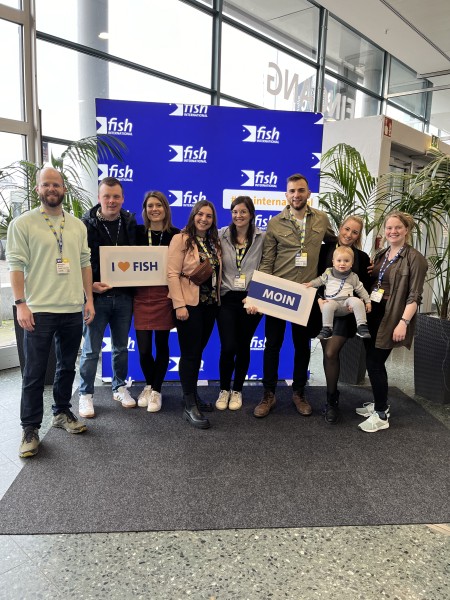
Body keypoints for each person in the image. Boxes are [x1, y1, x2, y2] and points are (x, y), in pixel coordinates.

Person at [6, 167, 95, 458]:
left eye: (56, 184)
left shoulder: (77, 226)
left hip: (71, 308)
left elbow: (84, 263)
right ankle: (30, 429)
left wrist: (88, 300)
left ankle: (61, 413)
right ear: (38, 189)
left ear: (63, 189)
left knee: (67, 366)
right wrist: (21, 303)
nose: (51, 189)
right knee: (34, 373)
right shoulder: (23, 223)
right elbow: (16, 265)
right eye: (46, 185)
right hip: (38, 310)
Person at [253, 173, 336, 418]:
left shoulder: (321, 219)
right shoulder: (275, 222)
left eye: (301, 190)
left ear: (308, 193)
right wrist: (260, 295)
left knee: (302, 346)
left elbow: (336, 243)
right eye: (292, 191)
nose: (296, 195)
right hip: (278, 292)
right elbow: (267, 260)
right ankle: (268, 394)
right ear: (286, 195)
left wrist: (360, 263)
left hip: (305, 294)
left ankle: (299, 392)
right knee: (273, 346)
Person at [357, 211, 428, 433]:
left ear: (407, 229)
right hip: (373, 312)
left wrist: (403, 322)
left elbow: (415, 295)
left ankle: (380, 414)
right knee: (371, 360)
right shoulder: (382, 253)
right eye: (389, 228)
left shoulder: (415, 258)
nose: (393, 231)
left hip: (393, 315)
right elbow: (375, 280)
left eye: (398, 227)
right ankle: (381, 402)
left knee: (376, 363)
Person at [78, 176, 137, 417]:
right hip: (96, 298)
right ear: (99, 198)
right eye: (106, 196)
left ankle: (119, 387)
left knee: (121, 347)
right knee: (91, 350)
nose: (111, 201)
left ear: (122, 198)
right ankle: (85, 394)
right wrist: (89, 287)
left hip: (124, 297)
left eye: (116, 197)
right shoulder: (85, 224)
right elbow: (79, 261)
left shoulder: (130, 222)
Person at [167, 200, 222, 429]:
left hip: (210, 304)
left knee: (197, 353)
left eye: (208, 216)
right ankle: (189, 405)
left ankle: (192, 395)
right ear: (193, 215)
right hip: (189, 305)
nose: (204, 219)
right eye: (200, 214)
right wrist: (179, 305)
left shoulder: (213, 241)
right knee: (189, 354)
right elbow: (171, 274)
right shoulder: (180, 239)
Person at [313, 215, 372, 424]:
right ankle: (331, 398)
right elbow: (317, 278)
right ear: (340, 228)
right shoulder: (323, 250)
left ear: (358, 235)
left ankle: (332, 400)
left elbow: (365, 286)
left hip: (346, 312)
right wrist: (319, 299)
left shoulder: (362, 258)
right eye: (347, 229)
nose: (349, 234)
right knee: (328, 355)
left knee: (331, 351)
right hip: (324, 308)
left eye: (355, 232)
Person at [216, 196, 265, 410]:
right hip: (226, 298)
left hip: (251, 299)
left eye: (243, 211)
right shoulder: (220, 235)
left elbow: (267, 267)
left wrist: (256, 295)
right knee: (228, 346)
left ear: (251, 214)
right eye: (235, 211)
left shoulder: (263, 237)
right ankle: (223, 389)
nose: (238, 215)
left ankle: (237, 390)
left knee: (244, 345)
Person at [134, 191, 180, 412]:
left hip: (165, 296)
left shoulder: (176, 235)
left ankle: (156, 390)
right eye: (150, 205)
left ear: (165, 208)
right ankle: (150, 384)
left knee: (162, 346)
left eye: (158, 205)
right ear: (145, 209)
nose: (154, 209)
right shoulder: (136, 233)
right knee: (143, 350)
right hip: (141, 296)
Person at [304, 245, 372, 340]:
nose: (342, 264)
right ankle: (327, 329)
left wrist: (368, 301)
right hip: (333, 303)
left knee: (357, 302)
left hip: (346, 304)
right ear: (333, 262)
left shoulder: (353, 276)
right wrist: (310, 284)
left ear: (352, 263)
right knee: (327, 305)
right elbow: (320, 280)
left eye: (346, 261)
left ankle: (362, 326)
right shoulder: (328, 272)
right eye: (339, 261)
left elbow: (361, 289)